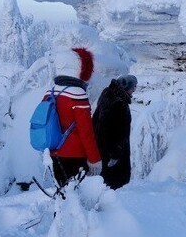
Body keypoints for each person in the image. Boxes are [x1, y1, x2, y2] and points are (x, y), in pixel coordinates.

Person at [47, 47, 102, 187]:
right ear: (80, 68)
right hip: (75, 156)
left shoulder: (51, 92)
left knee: (62, 192)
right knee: (75, 195)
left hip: (54, 153)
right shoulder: (77, 95)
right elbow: (86, 132)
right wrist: (95, 159)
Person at [93, 74, 137, 190]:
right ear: (126, 87)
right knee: (114, 184)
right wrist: (114, 154)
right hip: (113, 153)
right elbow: (106, 129)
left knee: (107, 182)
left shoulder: (108, 95)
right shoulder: (118, 103)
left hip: (105, 150)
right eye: (133, 87)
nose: (134, 91)